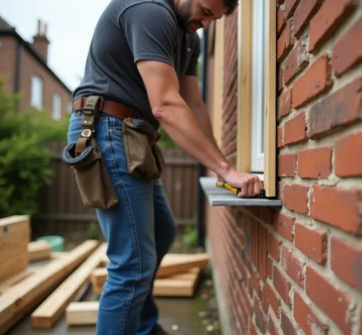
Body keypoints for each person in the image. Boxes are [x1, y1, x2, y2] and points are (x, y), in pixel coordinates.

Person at [64, 0, 262, 334]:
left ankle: (141, 328)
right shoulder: (150, 11)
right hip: (105, 128)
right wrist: (226, 171)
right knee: (131, 266)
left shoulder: (189, 38)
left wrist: (220, 165)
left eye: (215, 17)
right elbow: (167, 106)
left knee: (163, 231)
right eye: (205, 10)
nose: (207, 22)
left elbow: (194, 105)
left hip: (133, 135)